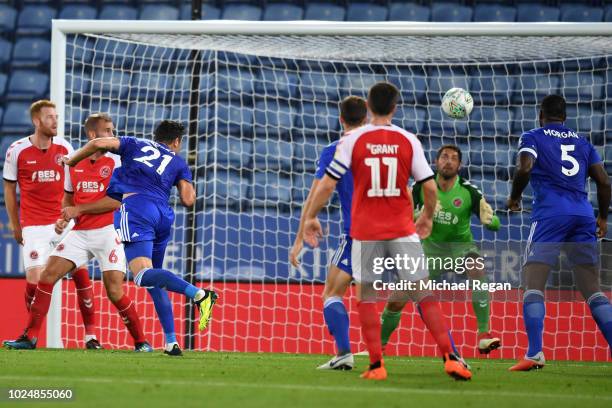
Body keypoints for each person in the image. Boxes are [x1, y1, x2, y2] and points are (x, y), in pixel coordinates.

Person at [303, 82, 472, 381]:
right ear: (395, 107)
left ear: (368, 106)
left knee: (367, 296)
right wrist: (428, 218)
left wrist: (312, 217)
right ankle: (451, 356)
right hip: (401, 229)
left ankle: (376, 366)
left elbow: (328, 184)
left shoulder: (353, 141)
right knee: (422, 292)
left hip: (366, 231)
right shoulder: (408, 140)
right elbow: (429, 187)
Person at [62, 120, 217, 356]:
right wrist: (183, 175)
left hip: (136, 208)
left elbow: (97, 142)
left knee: (143, 276)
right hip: (163, 215)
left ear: (156, 137)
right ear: (176, 142)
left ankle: (199, 294)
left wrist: (72, 159)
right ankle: (171, 342)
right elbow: (188, 199)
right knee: (155, 278)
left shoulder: (135, 143)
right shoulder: (178, 162)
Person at [3, 113, 152, 352]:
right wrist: (64, 216)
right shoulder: (73, 163)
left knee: (114, 291)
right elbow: (68, 199)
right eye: (108, 131)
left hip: (108, 231)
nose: (113, 136)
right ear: (93, 135)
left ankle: (141, 341)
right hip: (81, 232)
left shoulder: (117, 163)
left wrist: (77, 210)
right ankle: (30, 337)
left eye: (113, 131)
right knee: (47, 274)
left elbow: (116, 202)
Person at [507, 94, 612, 370]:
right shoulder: (583, 142)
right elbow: (603, 181)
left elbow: (525, 167)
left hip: (551, 216)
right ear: (565, 117)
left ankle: (535, 353)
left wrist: (515, 196)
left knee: (533, 284)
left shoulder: (533, 135)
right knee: (592, 289)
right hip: (583, 216)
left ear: (541, 115)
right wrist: (602, 216)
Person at [379, 144, 502, 355]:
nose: (448, 161)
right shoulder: (421, 188)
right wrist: (421, 214)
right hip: (429, 255)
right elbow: (401, 220)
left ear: (460, 165)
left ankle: (483, 335)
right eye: (444, 156)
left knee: (477, 266)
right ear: (436, 162)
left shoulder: (469, 192)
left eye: (454, 158)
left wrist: (491, 221)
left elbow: (495, 223)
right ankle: (377, 347)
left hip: (461, 251)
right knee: (396, 300)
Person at [2, 100, 99, 349]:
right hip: (34, 225)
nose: (55, 121)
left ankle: (91, 337)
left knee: (82, 277)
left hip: (62, 223)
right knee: (34, 283)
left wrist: (69, 217)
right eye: (50, 117)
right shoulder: (17, 150)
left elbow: (74, 184)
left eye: (56, 117)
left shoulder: (65, 147)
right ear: (37, 121)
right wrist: (16, 225)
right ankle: (31, 334)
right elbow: (10, 189)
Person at [290, 96, 367, 370]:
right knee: (418, 293)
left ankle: (345, 353)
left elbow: (316, 194)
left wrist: (300, 238)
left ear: (341, 119)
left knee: (332, 293)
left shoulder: (336, 149)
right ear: (367, 118)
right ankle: (452, 354)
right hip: (396, 233)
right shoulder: (386, 149)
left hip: (360, 233)